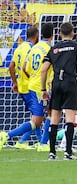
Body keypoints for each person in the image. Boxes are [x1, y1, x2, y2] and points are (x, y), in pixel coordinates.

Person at [41, 22, 77, 160]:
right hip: (70, 83)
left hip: (56, 83)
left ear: (59, 34)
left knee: (54, 119)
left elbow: (44, 69)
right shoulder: (76, 47)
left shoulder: (54, 48)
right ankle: (67, 152)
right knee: (70, 119)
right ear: (73, 33)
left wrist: (43, 89)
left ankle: (52, 152)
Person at [0, 24, 54, 152]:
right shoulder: (49, 49)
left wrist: (26, 78)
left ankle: (39, 142)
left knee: (42, 115)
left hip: (29, 86)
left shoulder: (31, 48)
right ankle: (8, 136)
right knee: (39, 118)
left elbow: (23, 67)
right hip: (40, 88)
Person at [7, 27, 40, 150]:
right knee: (38, 115)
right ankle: (10, 137)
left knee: (37, 115)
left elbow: (11, 66)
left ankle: (27, 141)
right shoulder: (33, 49)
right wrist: (31, 77)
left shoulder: (19, 48)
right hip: (31, 87)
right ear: (36, 36)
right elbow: (28, 68)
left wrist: (15, 82)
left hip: (21, 87)